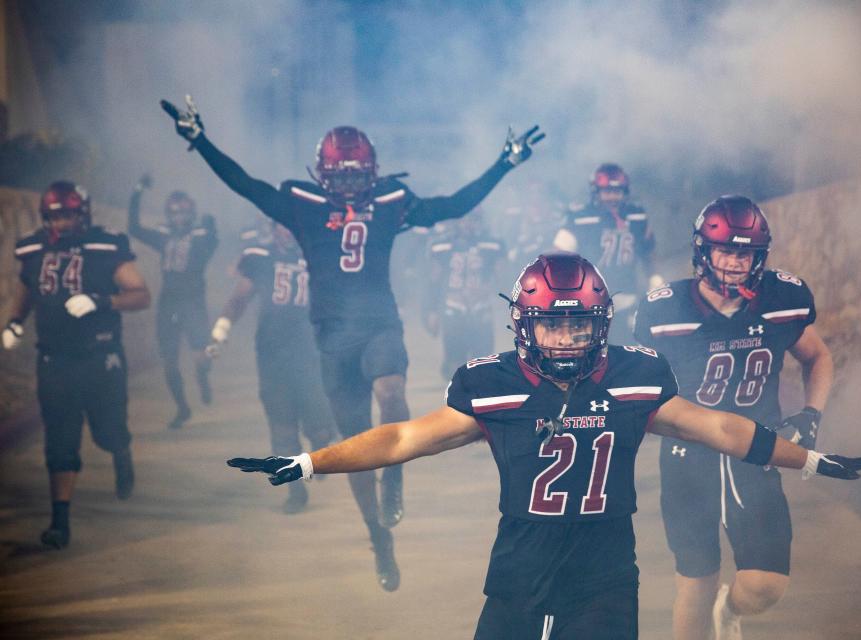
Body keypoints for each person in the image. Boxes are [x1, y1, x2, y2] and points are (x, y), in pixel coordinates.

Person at [227, 252, 861, 640]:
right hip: (518, 573)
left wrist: (814, 459)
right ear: (524, 322)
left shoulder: (634, 377)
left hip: (604, 579)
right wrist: (311, 462)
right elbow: (402, 437)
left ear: (600, 324)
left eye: (577, 323)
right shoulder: (494, 385)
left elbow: (723, 428)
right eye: (552, 322)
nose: (565, 338)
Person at [161, 95, 543, 591]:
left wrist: (503, 164)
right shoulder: (303, 204)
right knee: (355, 449)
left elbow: (453, 205)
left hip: (378, 323)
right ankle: (377, 537)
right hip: (331, 336)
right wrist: (199, 140)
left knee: (391, 393)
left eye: (356, 176)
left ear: (372, 171)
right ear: (323, 175)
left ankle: (397, 475)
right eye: (340, 177)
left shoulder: (389, 201)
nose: (348, 186)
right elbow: (244, 184)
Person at [633, 195, 835, 640]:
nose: (733, 262)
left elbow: (816, 355)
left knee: (765, 586)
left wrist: (812, 413)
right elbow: (639, 385)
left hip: (756, 453)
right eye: (724, 250)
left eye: (744, 252)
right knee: (696, 581)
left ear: (759, 257)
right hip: (689, 456)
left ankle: (730, 611)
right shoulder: (664, 311)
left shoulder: (784, 298)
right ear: (702, 251)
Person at [2, 181, 151, 549]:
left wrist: (101, 301)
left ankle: (121, 451)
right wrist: (14, 322)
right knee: (60, 440)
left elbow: (141, 294)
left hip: (100, 357)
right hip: (54, 357)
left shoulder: (106, 246)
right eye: (55, 215)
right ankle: (60, 521)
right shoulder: (34, 248)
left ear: (82, 214)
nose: (62, 223)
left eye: (68, 214)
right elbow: (25, 290)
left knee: (107, 431)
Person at [206, 220, 336, 514]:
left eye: (291, 226)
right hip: (273, 352)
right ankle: (295, 489)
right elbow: (240, 298)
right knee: (281, 424)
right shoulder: (260, 257)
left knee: (319, 421)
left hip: (311, 352)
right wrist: (221, 331)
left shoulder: (318, 255)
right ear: (274, 228)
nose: (288, 231)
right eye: (282, 225)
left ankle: (321, 451)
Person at [127, 174, 218, 429]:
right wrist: (137, 192)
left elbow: (212, 243)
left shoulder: (201, 236)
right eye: (174, 214)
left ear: (192, 214)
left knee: (201, 355)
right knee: (169, 360)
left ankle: (202, 377)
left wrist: (211, 225)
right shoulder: (164, 236)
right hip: (169, 302)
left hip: (193, 301)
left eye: (184, 214)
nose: (179, 219)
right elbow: (134, 228)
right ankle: (182, 407)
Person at [553, 163, 662, 343]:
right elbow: (558, 258)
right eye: (607, 192)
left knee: (626, 354)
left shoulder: (636, 216)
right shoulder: (580, 217)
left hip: (626, 298)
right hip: (589, 304)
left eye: (617, 192)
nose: (612, 197)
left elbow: (648, 252)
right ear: (596, 192)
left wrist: (655, 277)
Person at [424, 212, 505, 379]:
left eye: (473, 219)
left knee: (483, 363)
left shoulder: (493, 245)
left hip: (481, 309)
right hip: (453, 308)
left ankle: (480, 399)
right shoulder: (440, 246)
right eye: (464, 218)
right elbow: (434, 280)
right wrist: (431, 311)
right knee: (455, 363)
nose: (468, 223)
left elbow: (504, 278)